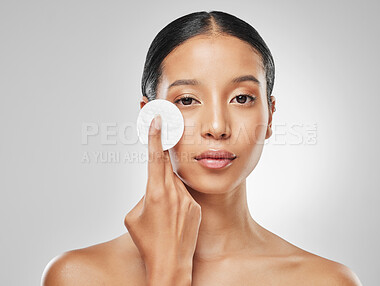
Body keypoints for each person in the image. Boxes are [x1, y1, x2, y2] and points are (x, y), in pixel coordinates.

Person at [42, 10, 362, 285]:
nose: (217, 128)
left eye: (241, 98)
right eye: (187, 100)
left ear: (269, 116)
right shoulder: (78, 276)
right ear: (150, 116)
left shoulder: (325, 280)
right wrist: (167, 272)